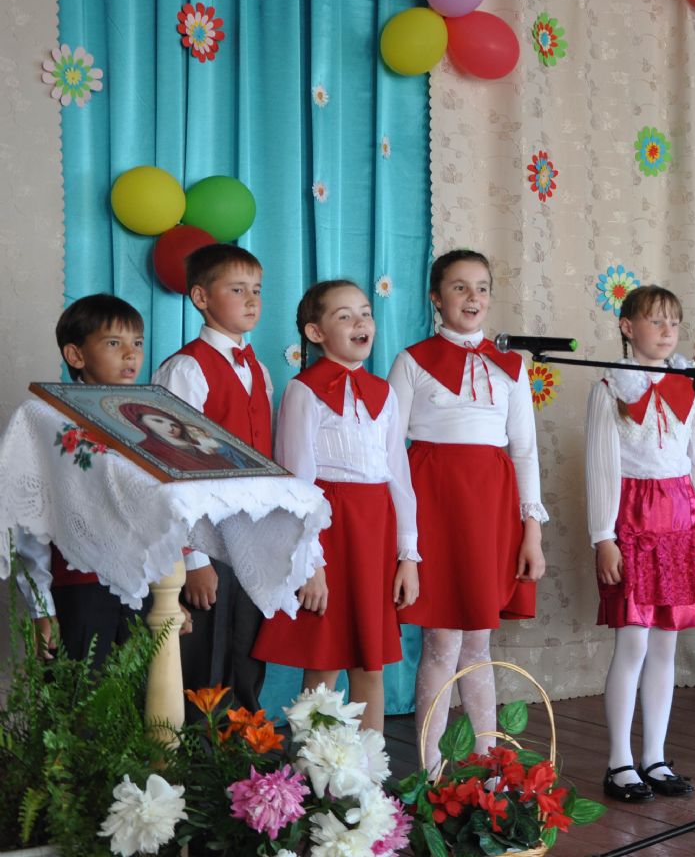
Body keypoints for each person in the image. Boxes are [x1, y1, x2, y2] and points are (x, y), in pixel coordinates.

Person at [390, 250, 547, 770]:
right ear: (436, 298)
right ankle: (430, 771)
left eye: (481, 286)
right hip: (434, 505)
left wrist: (531, 531)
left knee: (478, 642)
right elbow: (390, 452)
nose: (472, 297)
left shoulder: (511, 367)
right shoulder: (412, 361)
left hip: (491, 510)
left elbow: (525, 450)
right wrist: (406, 541)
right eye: (459, 287)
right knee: (441, 641)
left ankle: (488, 765)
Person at [251, 280, 421, 732]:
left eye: (365, 313)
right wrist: (311, 564)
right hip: (328, 532)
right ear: (315, 332)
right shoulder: (303, 391)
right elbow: (297, 483)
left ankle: (371, 769)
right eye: (344, 316)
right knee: (323, 661)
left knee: (371, 663)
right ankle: (316, 768)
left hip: (374, 533)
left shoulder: (385, 393)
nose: (360, 322)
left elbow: (399, 477)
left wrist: (408, 556)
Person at [586, 285, 695, 802]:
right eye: (655, 321)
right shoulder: (610, 388)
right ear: (627, 327)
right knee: (634, 641)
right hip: (632, 521)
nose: (667, 332)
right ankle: (620, 760)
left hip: (681, 521)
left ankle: (655, 757)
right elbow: (601, 466)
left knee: (667, 642)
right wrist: (604, 536)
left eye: (673, 323)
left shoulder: (690, 386)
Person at [154, 243, 274, 711]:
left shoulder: (259, 370)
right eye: (237, 289)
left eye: (257, 290)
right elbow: (172, 470)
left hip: (253, 535)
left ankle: (243, 747)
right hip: (208, 537)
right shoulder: (185, 368)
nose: (251, 300)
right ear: (201, 297)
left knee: (247, 651)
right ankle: (196, 752)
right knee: (204, 655)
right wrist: (193, 559)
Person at [12, 294, 149, 667]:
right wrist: (42, 608)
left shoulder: (146, 420)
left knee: (146, 696)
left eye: (137, 342)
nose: (131, 354)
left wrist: (171, 592)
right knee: (79, 695)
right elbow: (30, 518)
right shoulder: (46, 421)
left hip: (141, 586)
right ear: (75, 355)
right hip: (78, 588)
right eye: (113, 343)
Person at [116, 403, 241, 472]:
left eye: (173, 423)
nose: (170, 427)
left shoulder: (200, 446)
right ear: (142, 424)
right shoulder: (146, 450)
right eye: (158, 421)